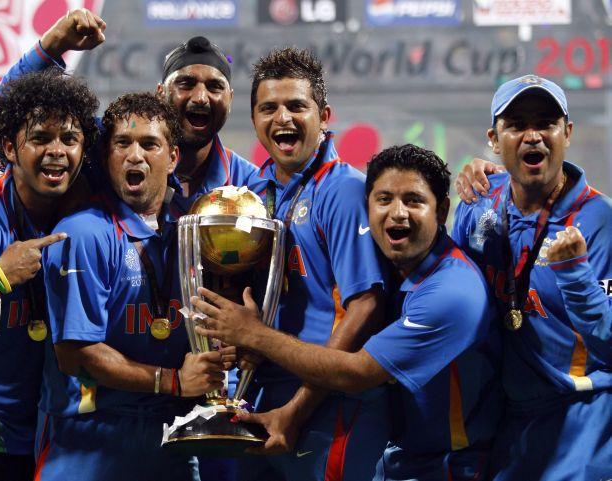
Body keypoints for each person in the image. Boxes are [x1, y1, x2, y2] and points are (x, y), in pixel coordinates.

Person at [191, 144, 503, 481]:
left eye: (413, 200)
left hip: (455, 465)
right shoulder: (395, 269)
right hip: (401, 458)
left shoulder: (452, 291)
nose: (397, 213)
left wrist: (254, 334)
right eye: (384, 200)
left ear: (441, 211)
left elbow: (356, 372)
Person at [196, 47, 391, 481]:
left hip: (327, 405)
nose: (282, 118)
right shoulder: (256, 192)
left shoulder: (343, 191)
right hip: (267, 397)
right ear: (254, 122)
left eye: (296, 106)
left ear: (324, 116)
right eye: (269, 108)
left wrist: (297, 410)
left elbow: (364, 307)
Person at [36, 92, 225, 480]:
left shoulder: (193, 234)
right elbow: (76, 354)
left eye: (149, 144)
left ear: (173, 157)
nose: (134, 156)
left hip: (172, 441)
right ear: (107, 156)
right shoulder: (83, 234)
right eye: (122, 143)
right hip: (90, 441)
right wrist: (173, 381)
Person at [452, 74, 612, 480]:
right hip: (507, 424)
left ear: (567, 133)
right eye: (517, 124)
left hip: (584, 423)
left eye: (545, 123)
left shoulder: (600, 221)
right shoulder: (478, 205)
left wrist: (576, 276)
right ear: (493, 138)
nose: (533, 135)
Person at [0, 9, 260, 218]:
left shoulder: (248, 183)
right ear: (160, 93)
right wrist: (51, 46)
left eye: (214, 87)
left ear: (230, 98)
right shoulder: (110, 146)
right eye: (185, 84)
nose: (200, 97)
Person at [0, 69, 99, 481]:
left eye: (69, 139)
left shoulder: (75, 215)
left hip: (43, 434)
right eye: (40, 138)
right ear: (9, 146)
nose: (57, 151)